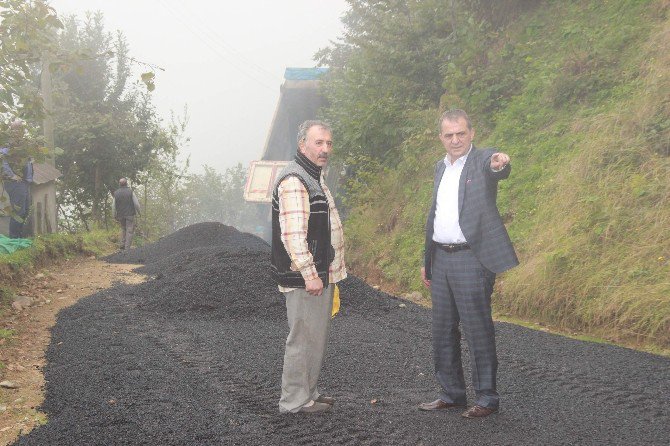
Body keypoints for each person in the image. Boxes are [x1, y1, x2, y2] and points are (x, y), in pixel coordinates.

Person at [418, 109, 518, 418]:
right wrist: (427, 261)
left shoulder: (481, 160)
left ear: (471, 133)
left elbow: (497, 165)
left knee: (477, 330)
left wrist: (501, 162)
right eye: (449, 135)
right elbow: (435, 216)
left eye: (461, 133)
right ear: (441, 138)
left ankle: (487, 398)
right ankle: (452, 394)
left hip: (472, 259)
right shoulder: (440, 168)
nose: (455, 140)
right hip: (441, 259)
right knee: (442, 330)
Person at [271, 120, 347, 414]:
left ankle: (309, 393)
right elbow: (292, 234)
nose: (325, 149)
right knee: (302, 338)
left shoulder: (312, 175)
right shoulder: (295, 180)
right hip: (307, 278)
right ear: (302, 145)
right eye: (318, 143)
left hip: (318, 274)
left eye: (328, 143)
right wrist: (309, 274)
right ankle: (294, 401)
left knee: (314, 336)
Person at [1, 120, 33, 238]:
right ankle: (14, 238)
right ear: (12, 130)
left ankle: (18, 236)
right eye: (16, 129)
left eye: (20, 129)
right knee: (18, 211)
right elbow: (2, 159)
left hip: (24, 182)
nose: (19, 131)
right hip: (15, 183)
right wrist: (12, 175)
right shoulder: (9, 145)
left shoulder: (22, 144)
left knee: (25, 210)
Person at [113, 177, 141, 250]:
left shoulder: (116, 193)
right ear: (126, 183)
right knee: (129, 230)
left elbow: (113, 206)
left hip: (120, 215)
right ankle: (127, 247)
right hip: (130, 214)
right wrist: (139, 212)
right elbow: (136, 204)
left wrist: (114, 215)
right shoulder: (130, 191)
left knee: (123, 229)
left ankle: (122, 244)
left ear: (119, 184)